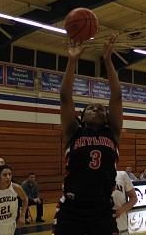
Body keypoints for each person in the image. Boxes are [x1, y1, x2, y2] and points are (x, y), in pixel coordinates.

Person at [53, 34, 122, 235]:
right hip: (72, 208)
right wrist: (72, 60)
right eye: (90, 108)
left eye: (100, 108)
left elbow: (116, 97)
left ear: (107, 117)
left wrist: (108, 60)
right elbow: (65, 97)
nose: (96, 109)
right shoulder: (73, 131)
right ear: (81, 117)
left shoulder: (113, 133)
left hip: (102, 209)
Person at [112, 170, 138, 235]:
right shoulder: (95, 177)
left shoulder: (122, 175)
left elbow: (134, 198)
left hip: (121, 227)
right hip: (101, 226)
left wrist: (121, 210)